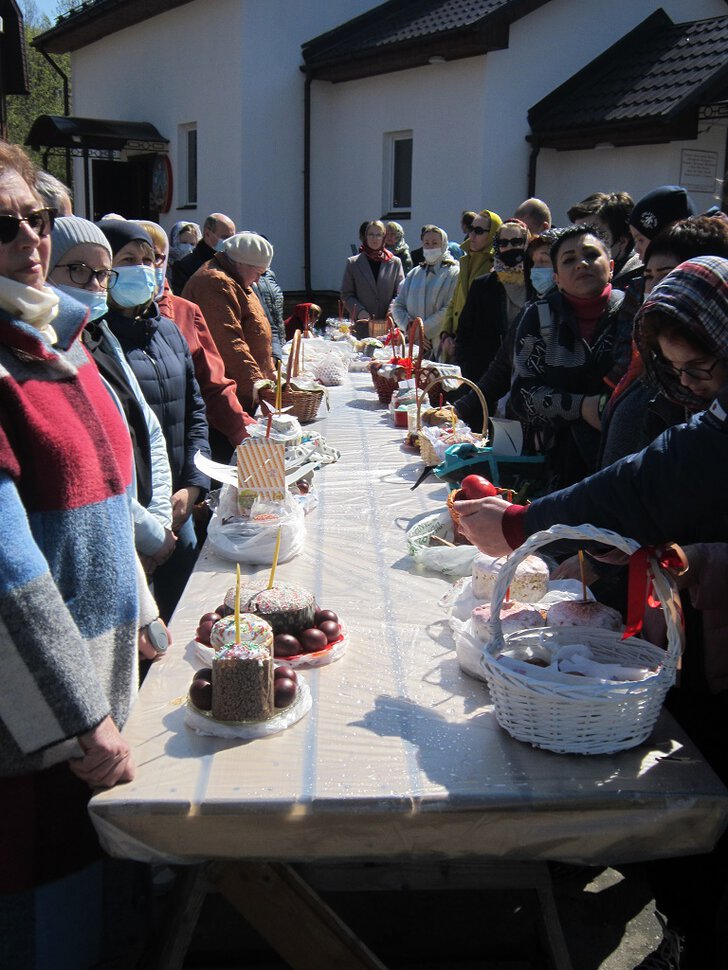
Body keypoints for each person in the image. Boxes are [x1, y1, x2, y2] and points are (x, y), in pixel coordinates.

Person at [0, 140, 161, 968]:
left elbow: (108, 501)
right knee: (48, 934)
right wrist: (78, 722)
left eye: (37, 217)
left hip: (104, 694)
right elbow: (7, 575)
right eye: (3, 225)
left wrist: (146, 610)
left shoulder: (58, 342)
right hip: (32, 735)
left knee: (112, 914)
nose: (31, 239)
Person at [47, 216, 177, 575]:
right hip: (103, 548)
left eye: (102, 274)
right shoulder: (51, 351)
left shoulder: (99, 334)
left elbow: (148, 428)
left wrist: (160, 519)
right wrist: (151, 535)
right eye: (78, 270)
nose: (93, 284)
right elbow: (94, 466)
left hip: (147, 526)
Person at [99, 218, 210, 622]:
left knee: (184, 619)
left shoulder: (168, 332)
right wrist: (151, 520)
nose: (143, 269)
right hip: (132, 521)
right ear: (104, 270)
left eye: (149, 259)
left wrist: (194, 487)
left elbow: (195, 410)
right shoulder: (96, 340)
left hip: (181, 506)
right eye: (128, 259)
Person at [509, 224, 625, 486]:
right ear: (557, 278)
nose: (581, 264)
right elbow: (523, 396)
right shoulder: (539, 316)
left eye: (591, 255)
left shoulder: (633, 312)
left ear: (611, 266)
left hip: (622, 461)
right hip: (557, 465)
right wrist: (581, 407)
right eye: (569, 259)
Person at [137, 220, 255, 465]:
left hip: (184, 459)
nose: (147, 267)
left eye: (156, 257)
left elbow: (212, 385)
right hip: (136, 461)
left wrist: (246, 433)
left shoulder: (186, 312)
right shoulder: (99, 325)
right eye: (133, 260)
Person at [454, 230, 557, 428]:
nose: (537, 269)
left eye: (517, 241)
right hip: (518, 415)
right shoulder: (533, 309)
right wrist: (460, 407)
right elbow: (501, 366)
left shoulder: (545, 304)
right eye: (534, 263)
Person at [182, 231, 277, 416]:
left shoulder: (236, 279)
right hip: (223, 396)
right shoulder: (215, 282)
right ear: (241, 263)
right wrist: (258, 387)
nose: (258, 279)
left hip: (240, 390)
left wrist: (270, 371)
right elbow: (228, 343)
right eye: (258, 272)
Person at [454, 219, 531, 382]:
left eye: (516, 242)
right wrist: (466, 368)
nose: (510, 247)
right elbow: (464, 331)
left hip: (526, 373)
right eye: (504, 243)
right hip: (486, 375)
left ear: (526, 244)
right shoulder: (483, 285)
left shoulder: (536, 283)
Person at [439, 208, 503, 362]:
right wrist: (445, 334)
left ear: (493, 234)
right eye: (471, 229)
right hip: (454, 343)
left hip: (478, 349)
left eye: (479, 231)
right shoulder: (466, 259)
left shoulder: (497, 265)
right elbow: (454, 301)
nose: (471, 235)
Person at [389, 224, 459, 355]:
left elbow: (449, 308)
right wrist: (410, 328)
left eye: (435, 243)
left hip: (437, 342)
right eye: (426, 243)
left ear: (443, 244)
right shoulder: (415, 273)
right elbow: (398, 305)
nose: (430, 247)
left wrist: (422, 331)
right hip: (412, 342)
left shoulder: (453, 273)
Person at [341, 219, 404, 336]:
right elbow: (347, 294)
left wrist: (391, 311)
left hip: (387, 326)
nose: (375, 238)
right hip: (362, 326)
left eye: (378, 235)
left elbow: (400, 293)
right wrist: (360, 312)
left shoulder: (395, 262)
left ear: (384, 237)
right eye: (371, 234)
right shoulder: (353, 263)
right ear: (365, 237)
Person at [567, 191, 642, 289]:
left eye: (594, 234)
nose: (582, 242)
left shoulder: (642, 280)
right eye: (577, 233)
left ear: (623, 241)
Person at [170, 211, 236, 295]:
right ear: (207, 234)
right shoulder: (184, 267)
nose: (229, 242)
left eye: (232, 238)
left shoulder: (233, 262)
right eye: (225, 237)